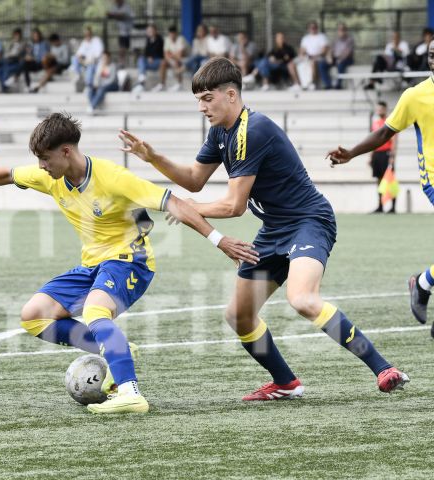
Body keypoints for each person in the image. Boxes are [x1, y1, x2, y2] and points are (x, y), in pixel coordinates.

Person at [0, 112, 259, 414]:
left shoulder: (114, 177)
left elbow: (174, 203)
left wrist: (220, 240)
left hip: (131, 261)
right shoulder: (51, 176)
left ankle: (130, 392)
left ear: (67, 151)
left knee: (95, 312)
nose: (42, 166)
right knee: (33, 316)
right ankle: (115, 345)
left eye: (45, 159)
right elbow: (8, 174)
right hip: (92, 265)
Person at [120, 57, 409, 400]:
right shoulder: (221, 133)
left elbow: (233, 206)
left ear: (231, 95)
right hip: (274, 229)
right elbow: (195, 180)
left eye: (207, 98)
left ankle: (384, 368)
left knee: (301, 299)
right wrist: (153, 157)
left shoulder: (252, 130)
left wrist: (187, 210)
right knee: (238, 316)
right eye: (198, 99)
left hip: (308, 221)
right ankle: (286, 383)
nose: (201, 107)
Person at [327, 40, 434, 339]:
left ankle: (422, 283)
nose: (433, 58)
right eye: (430, 54)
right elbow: (386, 132)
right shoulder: (415, 95)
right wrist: (351, 153)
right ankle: (422, 284)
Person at [367, 101, 396, 213]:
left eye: (381, 109)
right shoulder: (375, 123)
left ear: (385, 110)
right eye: (377, 109)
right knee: (379, 180)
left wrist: (392, 156)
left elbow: (394, 140)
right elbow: (372, 141)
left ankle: (393, 206)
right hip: (377, 154)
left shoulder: (390, 122)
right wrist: (370, 156)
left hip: (387, 154)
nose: (379, 111)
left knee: (390, 180)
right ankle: (380, 206)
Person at [71, 26, 105, 93]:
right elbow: (78, 54)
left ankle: (88, 85)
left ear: (91, 33)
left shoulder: (97, 40)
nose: (87, 36)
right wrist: (82, 60)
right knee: (74, 58)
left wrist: (89, 61)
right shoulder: (84, 42)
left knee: (90, 66)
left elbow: (98, 54)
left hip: (94, 62)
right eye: (85, 34)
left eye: (88, 34)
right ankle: (78, 75)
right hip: (85, 62)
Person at [132, 24, 164, 93]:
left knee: (143, 62)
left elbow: (157, 51)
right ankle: (142, 78)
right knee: (141, 59)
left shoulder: (159, 39)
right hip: (149, 61)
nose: (149, 32)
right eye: (148, 31)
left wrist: (151, 56)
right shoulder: (148, 40)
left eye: (150, 31)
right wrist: (149, 57)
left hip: (157, 61)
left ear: (155, 31)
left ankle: (141, 81)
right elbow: (146, 52)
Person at [299, 21, 329, 90]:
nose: (313, 29)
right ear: (308, 29)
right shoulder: (305, 38)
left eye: (314, 27)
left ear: (317, 28)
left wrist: (315, 56)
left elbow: (324, 50)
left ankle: (311, 83)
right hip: (307, 57)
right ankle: (299, 84)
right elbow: (302, 50)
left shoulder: (322, 37)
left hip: (319, 58)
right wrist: (304, 55)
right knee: (292, 64)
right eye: (311, 28)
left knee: (313, 62)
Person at [161, 25, 188, 92]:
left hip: (185, 59)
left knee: (176, 62)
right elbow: (166, 54)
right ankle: (162, 84)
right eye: (170, 33)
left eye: (173, 33)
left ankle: (179, 84)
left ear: (176, 33)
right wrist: (172, 57)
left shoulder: (181, 39)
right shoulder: (167, 39)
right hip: (173, 59)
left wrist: (171, 55)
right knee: (163, 63)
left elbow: (180, 55)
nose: (172, 35)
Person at [327, 23, 354, 90]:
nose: (341, 31)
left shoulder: (350, 40)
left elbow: (347, 53)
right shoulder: (335, 40)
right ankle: (328, 84)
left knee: (340, 64)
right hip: (335, 58)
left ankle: (338, 84)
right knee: (322, 64)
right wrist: (329, 57)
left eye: (343, 29)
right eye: (340, 29)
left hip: (346, 59)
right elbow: (330, 51)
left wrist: (340, 59)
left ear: (346, 30)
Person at [106, 0, 134, 66]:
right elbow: (109, 14)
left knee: (128, 49)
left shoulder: (126, 6)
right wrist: (113, 15)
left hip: (130, 31)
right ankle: (122, 63)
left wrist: (114, 15)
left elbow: (122, 16)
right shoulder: (115, 7)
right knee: (122, 48)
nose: (115, 2)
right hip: (122, 32)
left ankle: (129, 63)